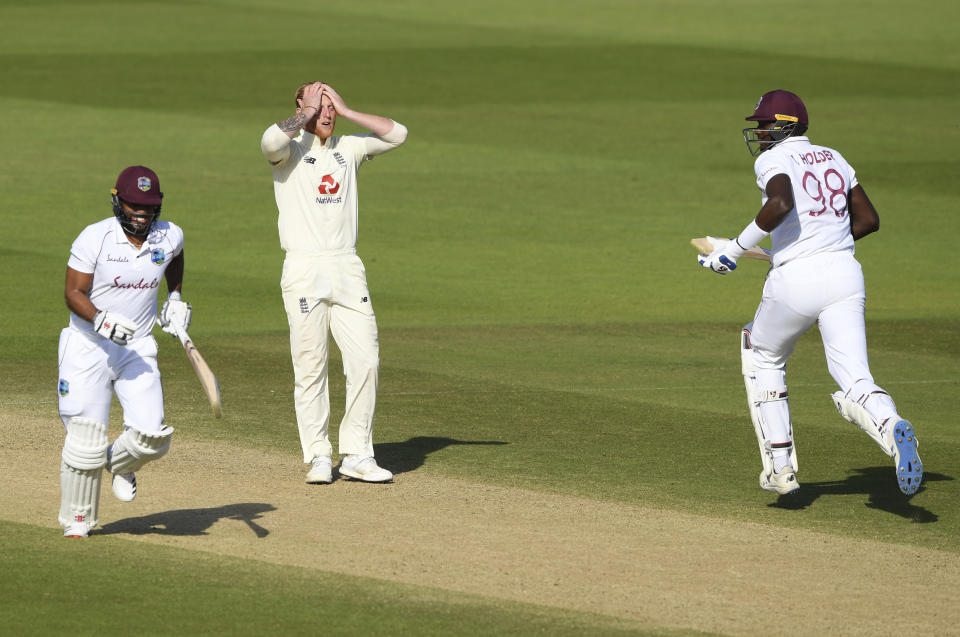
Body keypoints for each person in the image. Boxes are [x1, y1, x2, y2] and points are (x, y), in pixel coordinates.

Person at [697, 89, 923, 497]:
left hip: (797, 280)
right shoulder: (835, 156)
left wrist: (732, 249)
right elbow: (868, 220)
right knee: (855, 377)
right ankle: (892, 425)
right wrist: (823, 242)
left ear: (784, 125)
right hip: (845, 274)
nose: (760, 133)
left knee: (761, 352)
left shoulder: (773, 159)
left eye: (764, 125)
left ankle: (781, 467)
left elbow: (780, 202)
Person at [260, 81, 407, 484]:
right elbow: (270, 139)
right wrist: (307, 114)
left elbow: (397, 135)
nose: (326, 113)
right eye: (318, 104)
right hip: (304, 269)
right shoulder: (289, 151)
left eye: (331, 106)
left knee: (366, 360)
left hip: (346, 267)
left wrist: (347, 109)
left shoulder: (350, 148)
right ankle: (319, 455)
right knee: (311, 366)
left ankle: (358, 453)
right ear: (300, 106)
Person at [57, 165, 193, 537]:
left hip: (137, 346)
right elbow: (72, 292)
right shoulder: (95, 237)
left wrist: (176, 296)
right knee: (85, 439)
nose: (141, 214)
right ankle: (79, 520)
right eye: (134, 206)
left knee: (152, 437)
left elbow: (175, 255)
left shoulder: (168, 235)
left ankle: (121, 465)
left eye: (148, 207)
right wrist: (102, 322)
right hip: (88, 345)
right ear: (118, 201)